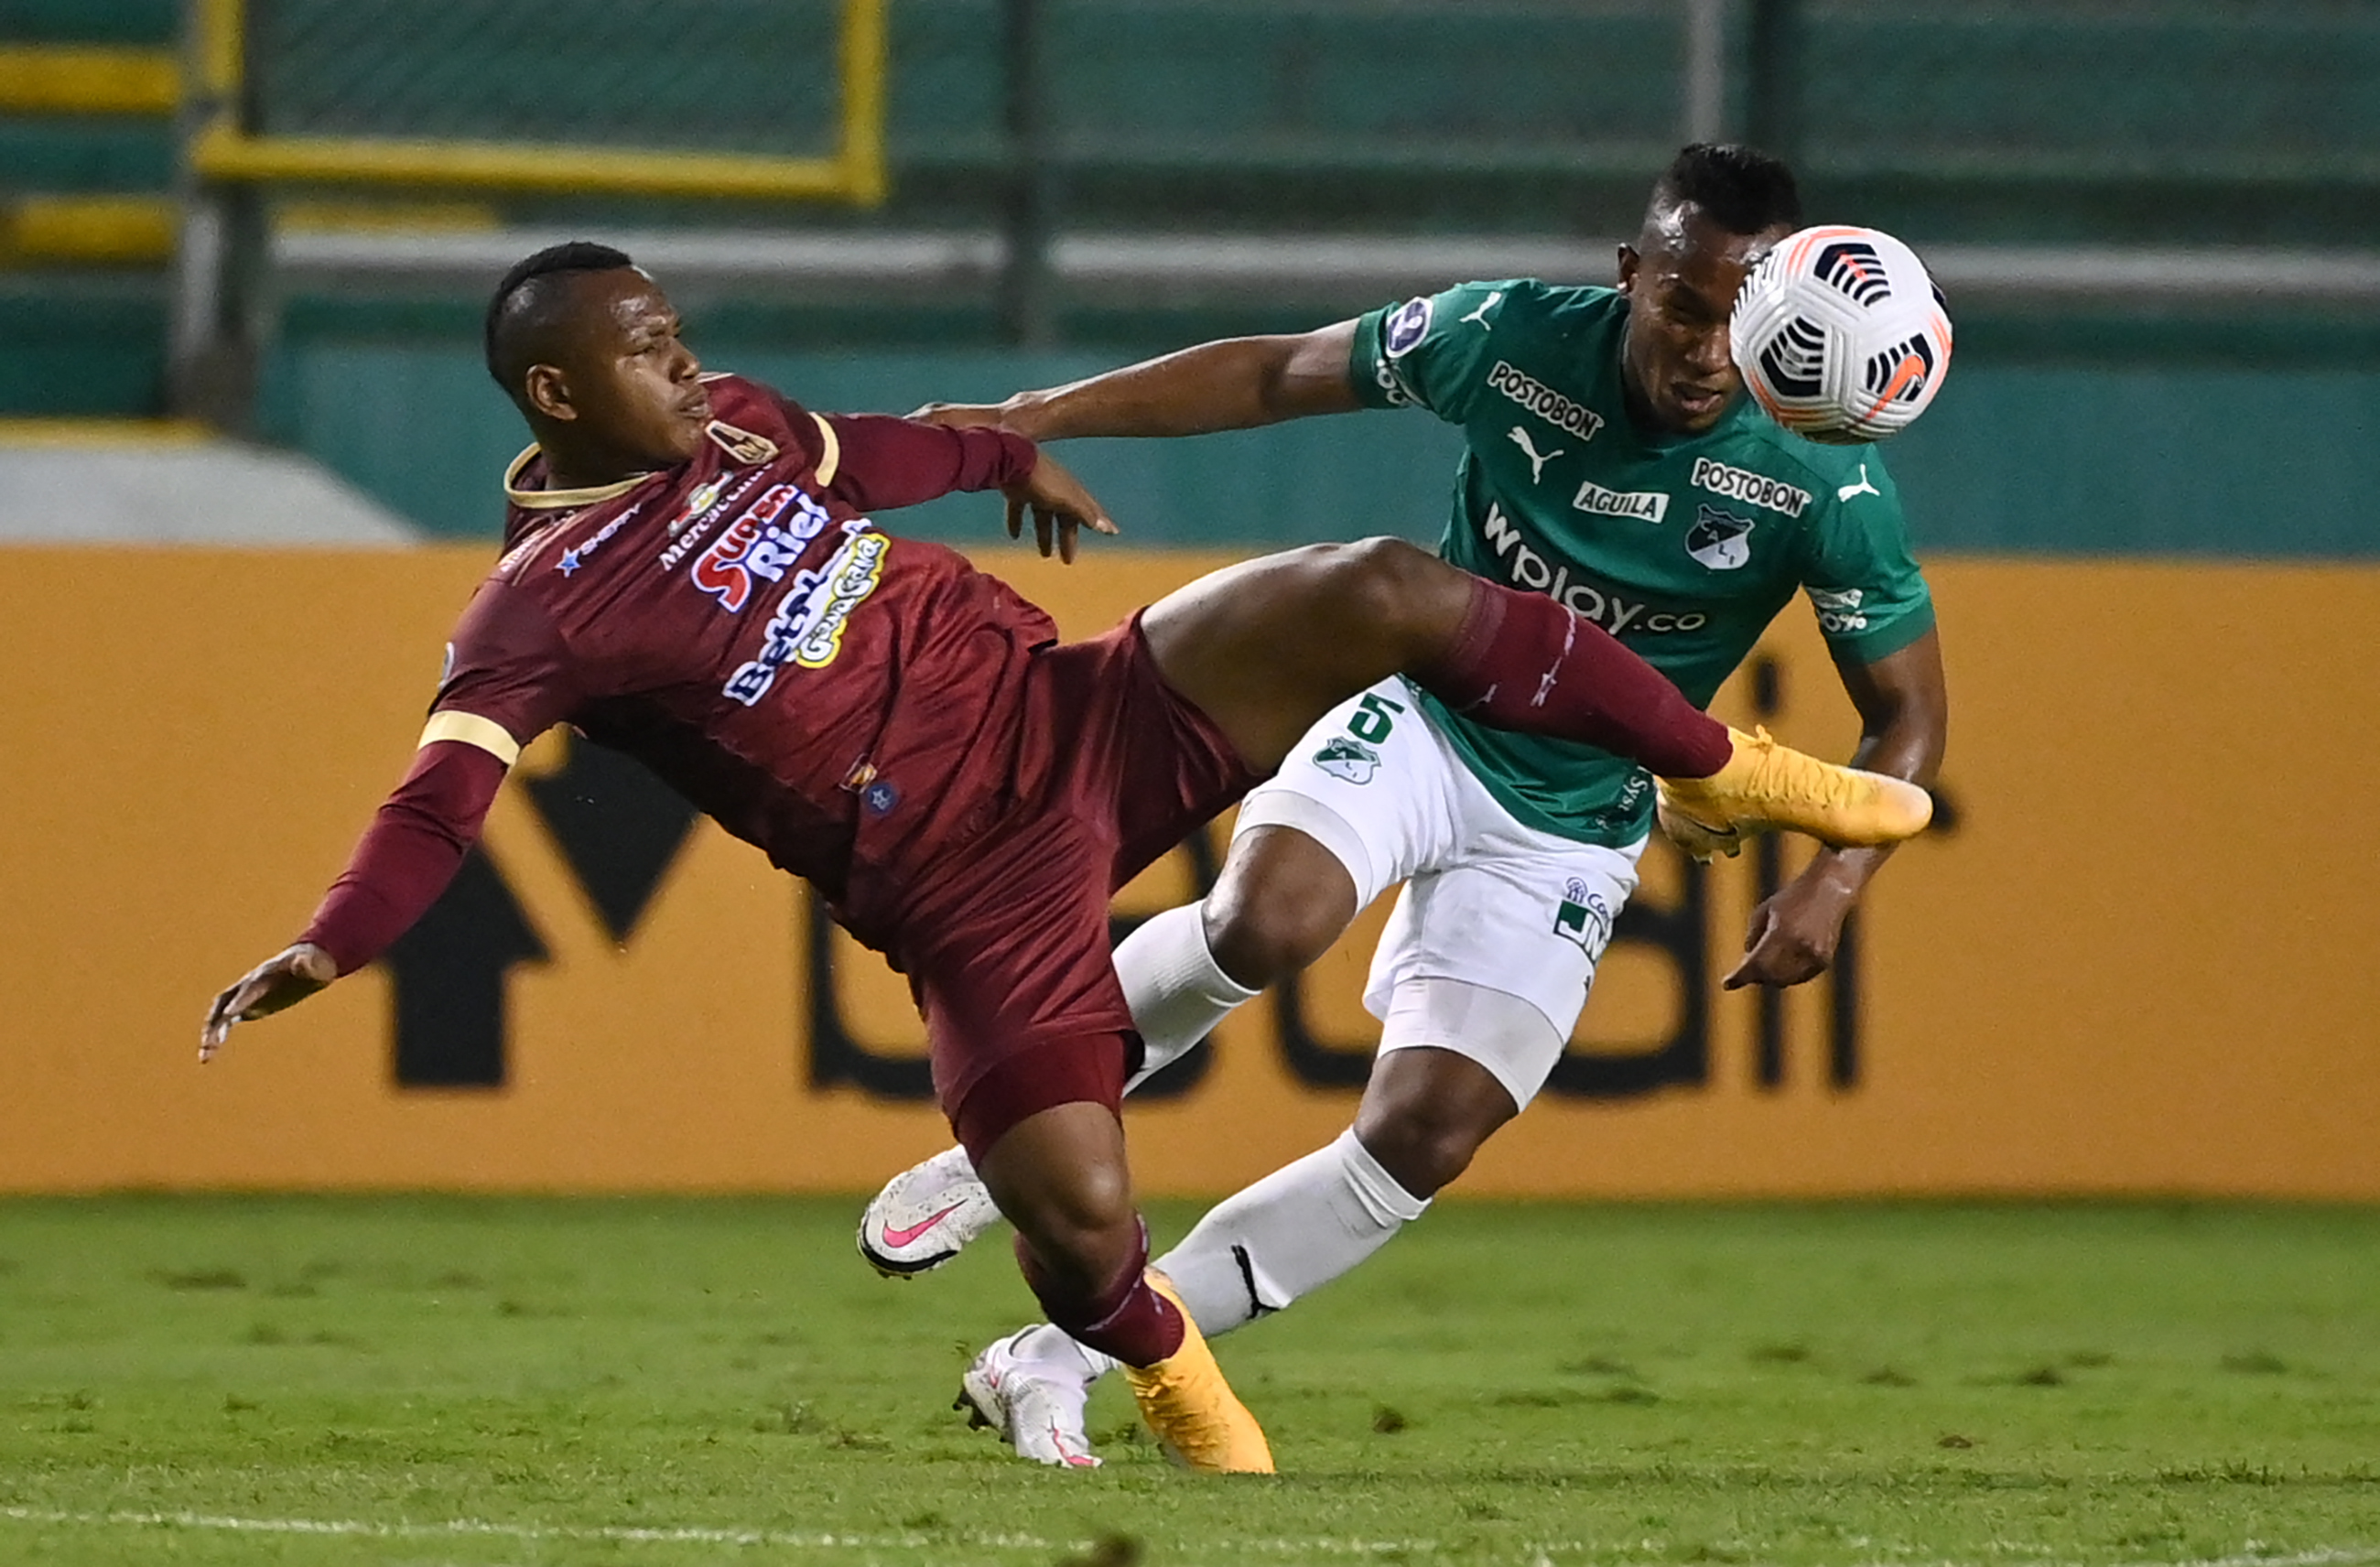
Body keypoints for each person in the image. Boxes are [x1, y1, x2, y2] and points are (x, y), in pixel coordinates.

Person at [200, 237, 1930, 1476]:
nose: (685, 365)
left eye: (678, 334)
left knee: (1387, 587)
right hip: (965, 883)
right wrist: (336, 941)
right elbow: (440, 801)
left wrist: (1005, 453)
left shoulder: (731, 424)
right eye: (649, 351)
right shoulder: (535, 614)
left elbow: (871, 454)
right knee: (1095, 1203)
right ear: (558, 391)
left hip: (1080, 708)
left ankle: (1734, 770)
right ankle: (1143, 1367)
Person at [855, 144, 1951, 1468]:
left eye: (1739, 320)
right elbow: (1278, 372)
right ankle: (1004, 1145)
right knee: (1264, 920)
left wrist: (1835, 881)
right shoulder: (1512, 337)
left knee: (1425, 1138)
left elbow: (1910, 716)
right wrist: (1036, 417)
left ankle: (1058, 1356)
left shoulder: (1824, 481)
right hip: (1430, 719)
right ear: (1630, 276)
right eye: (1683, 307)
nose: (1709, 350)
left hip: (1576, 819)